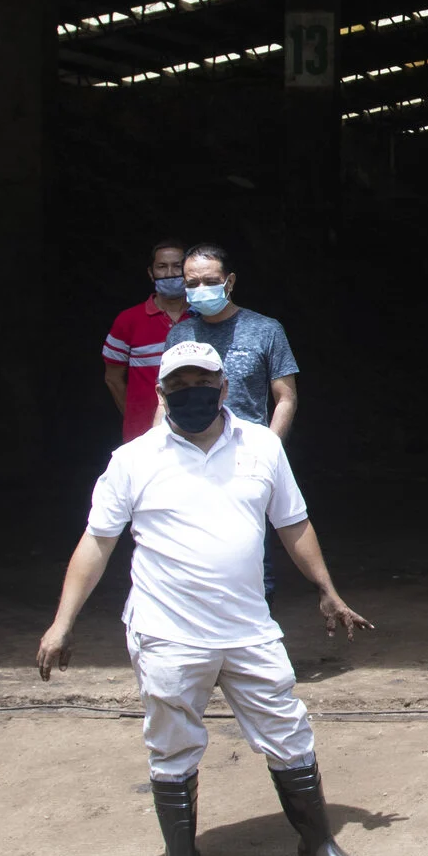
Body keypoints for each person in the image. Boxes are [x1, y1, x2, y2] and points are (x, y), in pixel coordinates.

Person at [34, 341, 377, 856]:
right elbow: (97, 543)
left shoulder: (261, 446)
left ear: (223, 388)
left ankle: (317, 843)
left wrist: (327, 588)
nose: (191, 393)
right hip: (168, 633)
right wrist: (62, 622)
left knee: (289, 731)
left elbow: (292, 523)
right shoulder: (133, 460)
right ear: (162, 393)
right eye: (179, 385)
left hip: (248, 627)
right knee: (172, 747)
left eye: (202, 383)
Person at [164, 243, 302, 599]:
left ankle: (255, 621)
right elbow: (163, 397)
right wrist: (156, 450)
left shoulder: (266, 330)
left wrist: (269, 451)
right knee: (190, 549)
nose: (200, 289)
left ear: (230, 282)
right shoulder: (179, 335)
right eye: (192, 283)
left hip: (245, 460)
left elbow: (285, 397)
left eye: (210, 281)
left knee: (250, 552)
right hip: (189, 458)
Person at [101, 239, 188, 447]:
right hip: (143, 436)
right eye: (162, 267)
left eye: (177, 266)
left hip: (200, 432)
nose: (170, 273)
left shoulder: (205, 317)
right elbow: (113, 378)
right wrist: (135, 418)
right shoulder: (128, 320)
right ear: (151, 273)